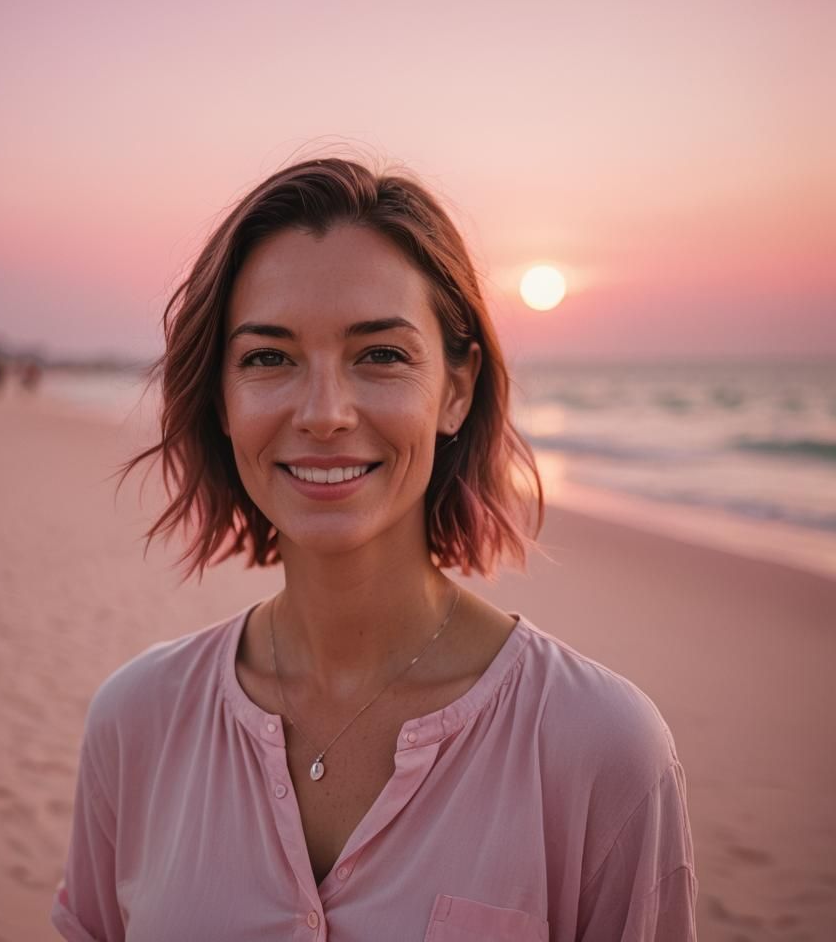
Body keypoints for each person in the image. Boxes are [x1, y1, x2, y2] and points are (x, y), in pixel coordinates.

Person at [51, 157, 698, 941]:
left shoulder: (601, 748)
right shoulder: (138, 722)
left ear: (456, 390)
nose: (324, 413)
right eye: (268, 357)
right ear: (221, 398)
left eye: (380, 354)